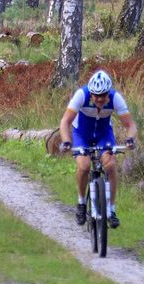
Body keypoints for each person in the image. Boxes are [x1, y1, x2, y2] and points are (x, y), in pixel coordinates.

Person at [57, 68, 136, 228]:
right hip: (82, 134)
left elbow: (130, 125)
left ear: (108, 93)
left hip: (103, 134)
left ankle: (111, 210)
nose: (100, 100)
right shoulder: (81, 95)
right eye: (96, 96)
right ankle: (81, 203)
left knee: (110, 165)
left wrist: (130, 139)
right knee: (84, 166)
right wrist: (66, 141)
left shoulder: (115, 98)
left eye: (103, 96)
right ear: (91, 93)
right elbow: (65, 122)